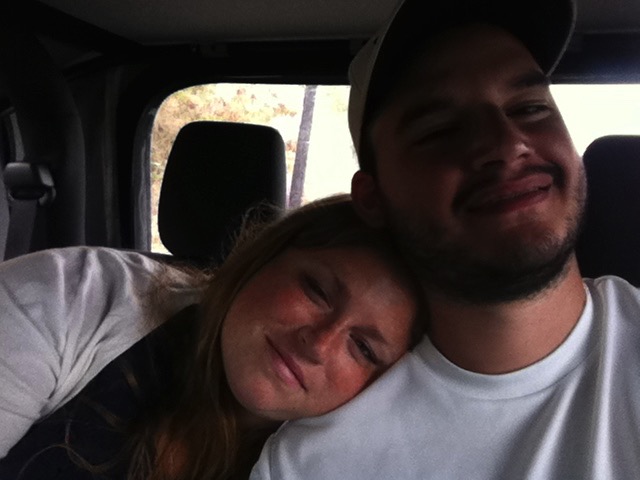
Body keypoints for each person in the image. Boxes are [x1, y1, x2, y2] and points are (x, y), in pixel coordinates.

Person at [250, 0, 640, 479]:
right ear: (374, 199)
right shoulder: (310, 464)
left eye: (530, 107)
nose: (508, 144)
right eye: (440, 130)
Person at [0, 194, 425, 479]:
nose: (318, 344)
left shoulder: (339, 464)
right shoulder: (73, 295)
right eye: (317, 291)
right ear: (265, 258)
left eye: (363, 348)